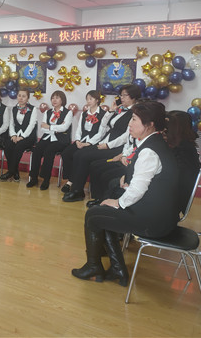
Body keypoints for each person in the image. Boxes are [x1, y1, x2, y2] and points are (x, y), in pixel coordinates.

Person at [71, 100, 178, 287]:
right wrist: (126, 184)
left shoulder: (149, 151)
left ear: (150, 125)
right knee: (103, 209)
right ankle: (117, 268)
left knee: (94, 215)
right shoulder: (154, 142)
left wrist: (119, 203)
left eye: (134, 119)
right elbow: (146, 181)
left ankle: (94, 266)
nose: (130, 123)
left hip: (153, 221)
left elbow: (138, 189)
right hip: (158, 213)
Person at [63, 84, 141, 202]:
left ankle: (81, 192)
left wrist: (108, 145)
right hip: (105, 142)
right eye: (121, 95)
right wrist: (111, 111)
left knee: (84, 157)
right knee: (79, 153)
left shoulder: (135, 112)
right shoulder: (119, 109)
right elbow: (104, 125)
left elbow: (126, 136)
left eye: (125, 95)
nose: (122, 98)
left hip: (116, 147)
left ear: (133, 96)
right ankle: (76, 189)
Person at [60, 90, 107, 193]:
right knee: (66, 153)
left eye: (91, 99)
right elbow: (79, 130)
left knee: (78, 155)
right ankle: (71, 178)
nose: (88, 101)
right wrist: (77, 140)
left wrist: (88, 143)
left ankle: (70, 182)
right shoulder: (84, 113)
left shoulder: (104, 114)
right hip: (81, 140)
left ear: (97, 100)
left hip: (93, 143)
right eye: (87, 99)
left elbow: (101, 133)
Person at [27, 91, 72, 190]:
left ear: (62, 100)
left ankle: (46, 179)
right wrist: (56, 128)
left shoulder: (68, 112)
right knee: (37, 150)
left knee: (49, 151)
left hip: (61, 140)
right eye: (53, 98)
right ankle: (33, 178)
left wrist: (50, 127)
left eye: (57, 98)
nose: (54, 100)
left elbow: (64, 128)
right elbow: (43, 128)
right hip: (47, 137)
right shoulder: (48, 112)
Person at [165, 110, 201, 216]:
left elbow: (178, 182)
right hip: (171, 197)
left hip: (171, 203)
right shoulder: (180, 144)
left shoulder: (183, 149)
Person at [0, 89, 38, 182]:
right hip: (16, 135)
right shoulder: (14, 109)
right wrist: (13, 135)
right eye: (19, 95)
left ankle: (11, 172)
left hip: (28, 137)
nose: (21, 98)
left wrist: (23, 136)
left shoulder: (33, 109)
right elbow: (11, 124)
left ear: (28, 98)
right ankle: (15, 172)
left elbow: (31, 125)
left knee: (18, 146)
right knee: (8, 145)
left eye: (23, 96)